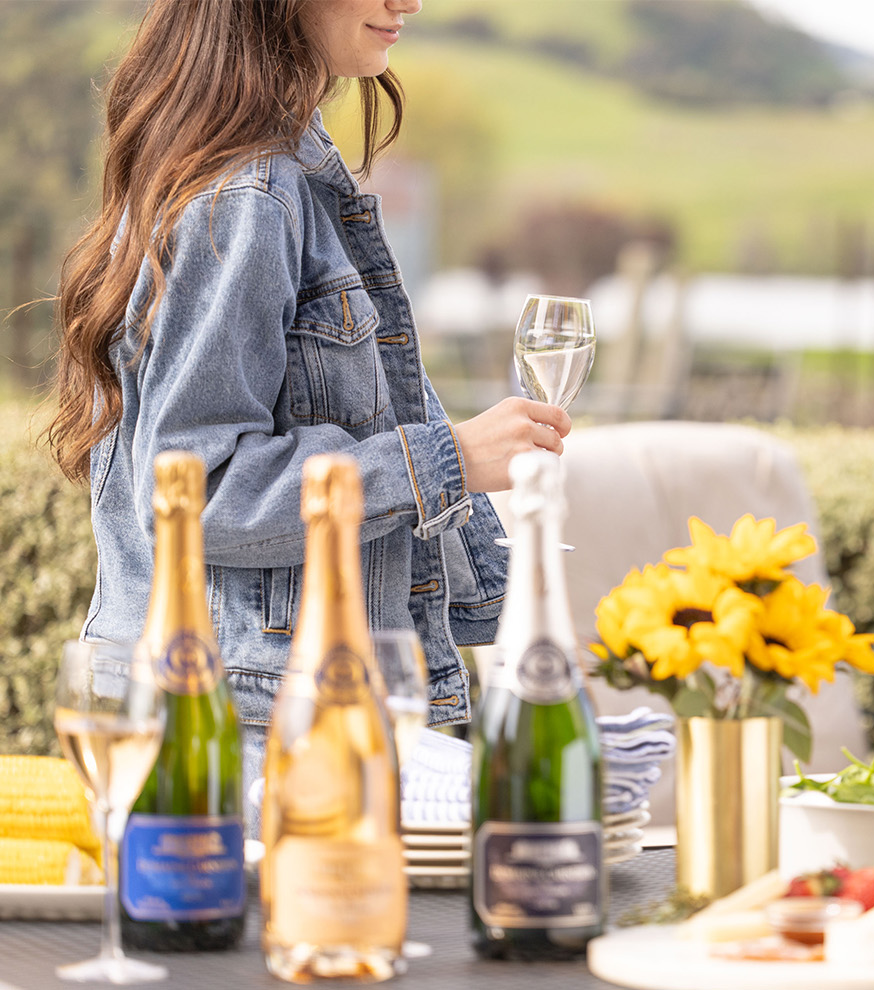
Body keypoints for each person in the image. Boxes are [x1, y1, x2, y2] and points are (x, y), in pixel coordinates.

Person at [45, 0, 568, 827]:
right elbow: (196, 487)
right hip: (244, 743)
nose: (408, 2)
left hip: (255, 720)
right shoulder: (250, 194)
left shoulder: (282, 173)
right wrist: (447, 461)